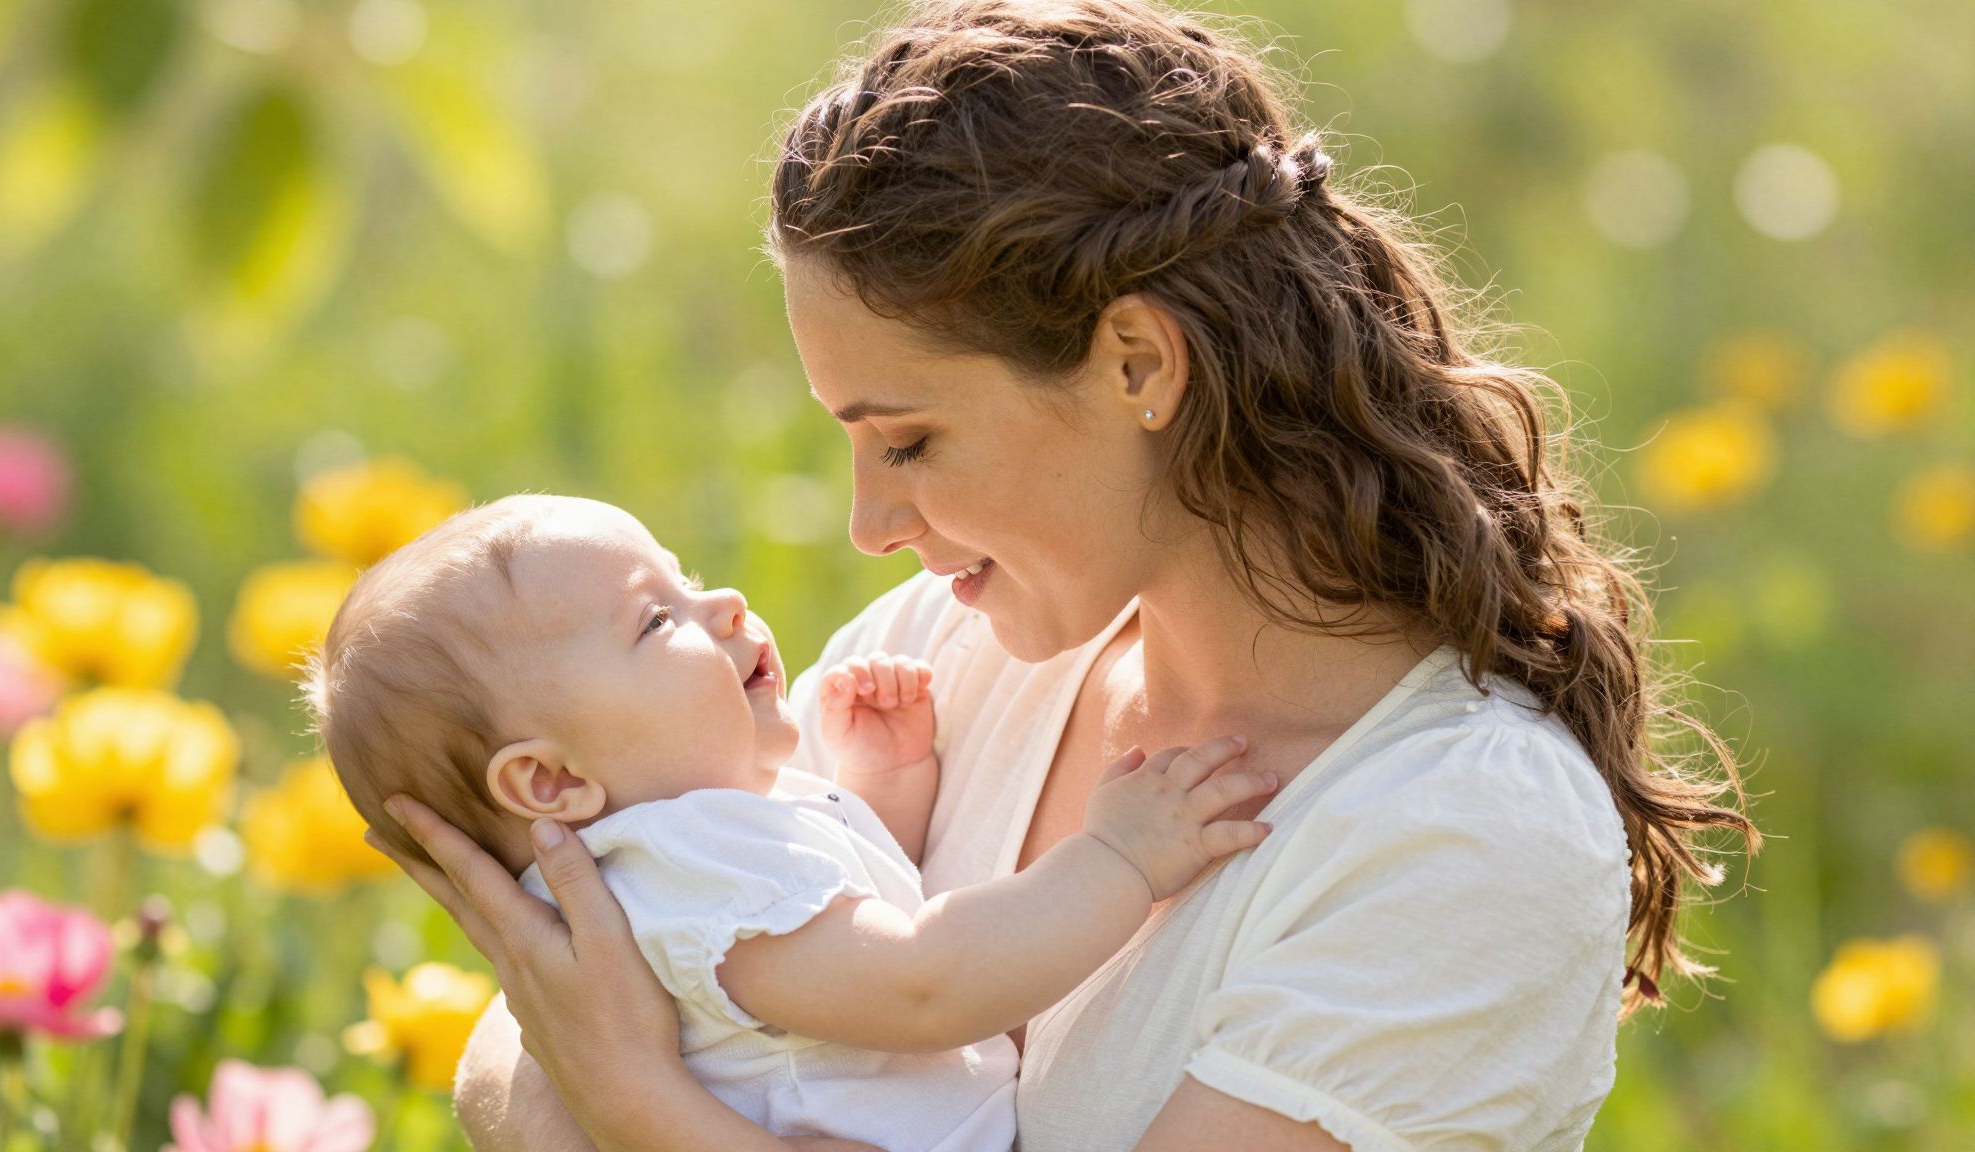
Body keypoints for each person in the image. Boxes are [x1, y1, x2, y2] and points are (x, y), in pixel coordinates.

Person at [370, 1, 1761, 1148]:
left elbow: (589, 1052)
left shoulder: (1458, 836)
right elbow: (558, 1013)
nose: (869, 523)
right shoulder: (950, 652)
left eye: (908, 439)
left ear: (1139, 364)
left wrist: (639, 1111)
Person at [304, 494, 1281, 1151]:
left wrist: (879, 788)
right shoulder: (689, 866)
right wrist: (1114, 859)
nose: (721, 602)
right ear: (552, 783)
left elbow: (828, 941)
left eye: (682, 577)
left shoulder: (688, 854)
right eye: (655, 620)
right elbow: (917, 987)